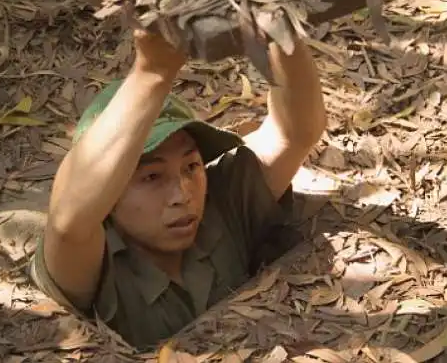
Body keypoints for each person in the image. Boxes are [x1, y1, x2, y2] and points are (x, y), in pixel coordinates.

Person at [29, 19, 326, 348]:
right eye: (152, 177)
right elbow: (68, 222)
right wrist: (154, 71)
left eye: (190, 167)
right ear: (108, 195)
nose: (182, 195)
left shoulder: (223, 202)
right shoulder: (93, 262)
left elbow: (295, 133)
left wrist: (280, 29)